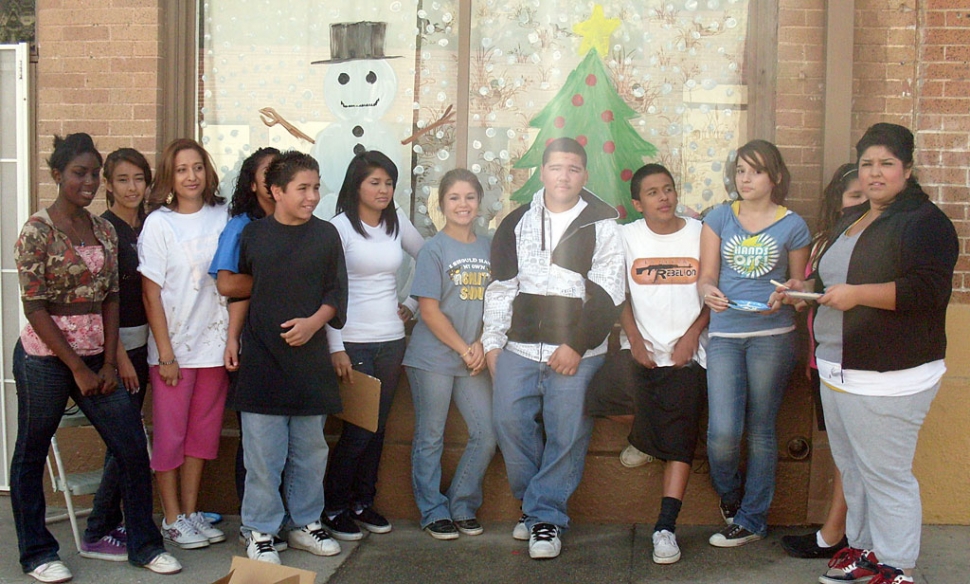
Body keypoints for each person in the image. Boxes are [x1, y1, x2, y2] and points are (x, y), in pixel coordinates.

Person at [778, 123, 957, 584]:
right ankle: (864, 550)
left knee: (886, 474)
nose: (875, 173)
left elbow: (926, 291)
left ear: (908, 169)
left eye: (886, 164)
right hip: (840, 368)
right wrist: (804, 289)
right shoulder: (856, 216)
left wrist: (858, 295)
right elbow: (834, 276)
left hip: (890, 373)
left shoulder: (925, 222)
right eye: (867, 164)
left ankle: (898, 567)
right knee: (854, 471)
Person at [11, 133, 181, 583]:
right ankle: (37, 553)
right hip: (45, 359)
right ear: (57, 176)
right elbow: (34, 305)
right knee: (30, 451)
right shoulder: (37, 230)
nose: (87, 182)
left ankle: (144, 545)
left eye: (91, 174)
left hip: (97, 358)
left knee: (130, 445)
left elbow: (111, 297)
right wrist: (77, 368)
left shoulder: (103, 229)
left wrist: (107, 361)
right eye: (78, 173)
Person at [483, 137, 625, 560]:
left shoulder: (601, 223)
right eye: (557, 168)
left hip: (576, 353)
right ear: (542, 172)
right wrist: (492, 342)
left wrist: (577, 344)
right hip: (520, 348)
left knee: (566, 434)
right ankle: (535, 509)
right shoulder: (516, 222)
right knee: (508, 421)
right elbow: (501, 287)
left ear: (584, 175)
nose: (565, 176)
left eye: (574, 169)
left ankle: (546, 518)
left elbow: (609, 291)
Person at [585, 163, 709, 564]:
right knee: (596, 396)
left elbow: (714, 292)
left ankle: (665, 527)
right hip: (640, 351)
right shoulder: (626, 237)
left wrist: (692, 336)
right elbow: (617, 293)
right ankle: (647, 436)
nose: (664, 198)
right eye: (653, 192)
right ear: (638, 203)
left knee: (681, 436)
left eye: (669, 189)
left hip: (689, 355)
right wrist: (634, 339)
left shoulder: (700, 233)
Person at [231, 151, 348, 564]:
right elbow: (239, 292)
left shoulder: (326, 236)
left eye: (316, 187)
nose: (313, 196)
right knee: (263, 456)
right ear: (276, 191)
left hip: (310, 364)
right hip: (262, 362)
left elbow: (336, 293)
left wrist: (314, 323)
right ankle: (260, 530)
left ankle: (304, 524)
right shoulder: (253, 236)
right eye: (303, 188)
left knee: (310, 451)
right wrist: (232, 339)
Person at [698, 139, 810, 547]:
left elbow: (800, 289)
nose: (745, 178)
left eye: (756, 171)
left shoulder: (793, 224)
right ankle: (731, 495)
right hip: (726, 332)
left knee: (762, 430)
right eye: (740, 170)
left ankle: (752, 518)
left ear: (775, 177)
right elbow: (706, 276)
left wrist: (789, 295)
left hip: (773, 336)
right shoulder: (719, 218)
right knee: (723, 433)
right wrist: (707, 291)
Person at [321, 150, 424, 541]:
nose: (383, 190)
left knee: (378, 429)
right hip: (353, 342)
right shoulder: (339, 229)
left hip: (391, 342)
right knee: (358, 431)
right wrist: (335, 346)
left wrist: (412, 303)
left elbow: (428, 257)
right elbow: (327, 291)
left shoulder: (397, 224)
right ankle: (334, 507)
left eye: (388, 183)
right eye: (374, 182)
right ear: (356, 186)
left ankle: (363, 502)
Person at [139, 138, 230, 550]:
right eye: (181, 170)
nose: (191, 176)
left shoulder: (223, 215)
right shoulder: (159, 223)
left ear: (207, 172)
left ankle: (192, 512)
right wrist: (166, 354)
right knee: (171, 437)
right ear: (169, 178)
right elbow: (150, 294)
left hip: (214, 347)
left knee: (202, 436)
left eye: (196, 167)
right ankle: (172, 517)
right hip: (174, 350)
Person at [403, 169, 496, 540]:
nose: (463, 204)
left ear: (479, 202)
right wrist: (464, 348)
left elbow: (499, 301)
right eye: (454, 198)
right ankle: (432, 510)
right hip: (433, 359)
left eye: (470, 197)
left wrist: (482, 345)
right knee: (431, 436)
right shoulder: (433, 249)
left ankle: (461, 504)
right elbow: (428, 310)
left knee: (486, 432)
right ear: (441, 204)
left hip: (473, 357)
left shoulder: (488, 247)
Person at [780, 163, 864, 559]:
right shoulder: (824, 241)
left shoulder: (880, 240)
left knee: (859, 452)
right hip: (821, 359)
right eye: (853, 196)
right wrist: (799, 293)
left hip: (861, 360)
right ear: (838, 200)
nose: (861, 203)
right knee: (841, 449)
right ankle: (838, 531)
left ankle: (837, 534)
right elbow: (818, 292)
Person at [78, 148, 153, 561]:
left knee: (127, 439)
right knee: (124, 441)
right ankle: (97, 529)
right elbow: (105, 300)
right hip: (117, 347)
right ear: (108, 184)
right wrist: (120, 357)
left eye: (138, 178)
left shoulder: (149, 224)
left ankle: (117, 521)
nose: (131, 187)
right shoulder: (104, 230)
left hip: (146, 344)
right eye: (122, 179)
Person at [207, 147, 281, 524]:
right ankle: (253, 522)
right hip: (252, 343)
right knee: (255, 440)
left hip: (291, 344)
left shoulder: (299, 222)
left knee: (286, 439)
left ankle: (282, 518)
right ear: (252, 184)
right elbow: (226, 282)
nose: (273, 181)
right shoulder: (242, 225)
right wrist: (278, 281)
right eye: (266, 174)